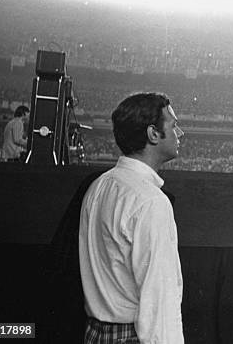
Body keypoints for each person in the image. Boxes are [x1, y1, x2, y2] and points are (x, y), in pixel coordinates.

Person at [79, 93, 185, 344]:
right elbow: (159, 301)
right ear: (153, 134)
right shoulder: (151, 202)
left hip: (96, 333)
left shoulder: (98, 186)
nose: (180, 133)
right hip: (130, 336)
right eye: (173, 125)